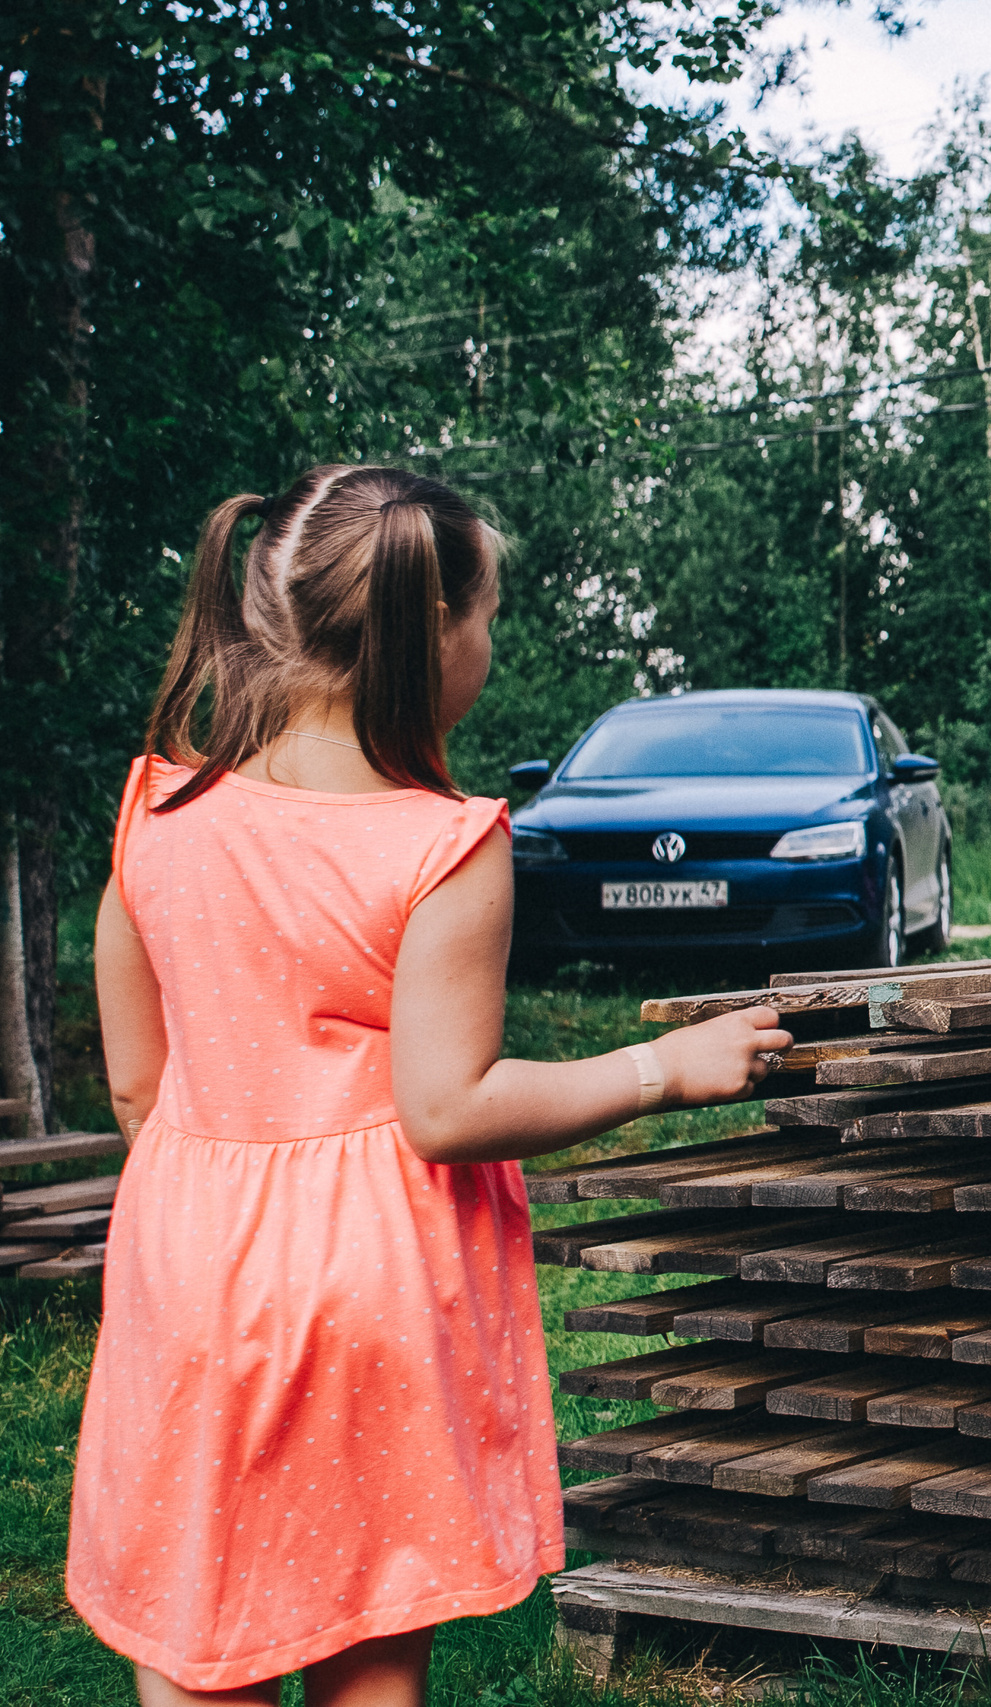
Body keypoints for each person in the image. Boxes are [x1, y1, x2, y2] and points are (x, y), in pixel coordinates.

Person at [69, 466, 794, 1707]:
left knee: (198, 1629)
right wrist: (660, 1068)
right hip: (371, 1293)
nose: (491, 643)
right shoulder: (444, 844)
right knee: (368, 1648)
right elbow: (445, 1106)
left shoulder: (157, 812)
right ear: (429, 634)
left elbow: (139, 1088)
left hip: (187, 1271)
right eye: (488, 615)